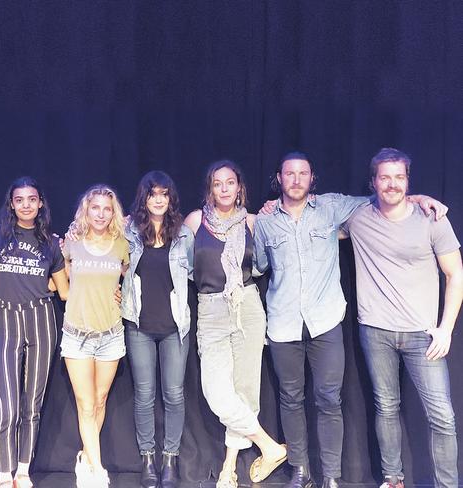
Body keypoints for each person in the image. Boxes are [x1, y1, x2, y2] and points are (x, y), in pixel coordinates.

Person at [252, 151, 446, 488]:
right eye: (289, 174)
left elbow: (384, 198)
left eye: (303, 173)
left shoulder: (331, 207)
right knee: (290, 399)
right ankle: (300, 470)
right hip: (282, 326)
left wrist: (419, 197)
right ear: (279, 179)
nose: (296, 179)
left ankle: (331, 477)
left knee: (329, 400)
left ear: (312, 179)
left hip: (325, 323)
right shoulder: (266, 221)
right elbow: (259, 265)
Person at [342, 148, 462, 488]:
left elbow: (455, 274)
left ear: (408, 181)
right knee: (386, 407)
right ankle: (393, 479)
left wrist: (446, 330)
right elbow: (313, 213)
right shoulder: (358, 217)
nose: (392, 184)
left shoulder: (432, 219)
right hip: (375, 331)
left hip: (422, 334)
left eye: (399, 177)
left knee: (442, 417)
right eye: (385, 177)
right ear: (373, 182)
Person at [184, 160, 287, 488]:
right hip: (211, 307)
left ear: (240, 188)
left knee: (244, 390)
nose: (225, 188)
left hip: (247, 306)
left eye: (231, 182)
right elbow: (179, 260)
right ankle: (269, 446)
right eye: (218, 183)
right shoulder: (195, 221)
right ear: (210, 189)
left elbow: (264, 264)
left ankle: (229, 469)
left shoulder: (255, 222)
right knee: (216, 391)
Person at [0, 176, 69, 488]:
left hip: (40, 318)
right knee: (7, 406)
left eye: (31, 199)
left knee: (31, 404)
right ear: (11, 203)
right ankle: (4, 473)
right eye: (19, 199)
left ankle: (23, 469)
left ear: (40, 203)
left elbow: (63, 291)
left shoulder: (50, 241)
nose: (26, 205)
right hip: (6, 317)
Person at [121, 171, 194, 488]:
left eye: (164, 194)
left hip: (175, 326)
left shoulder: (183, 235)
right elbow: (93, 241)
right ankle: (148, 458)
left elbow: (195, 272)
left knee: (174, 395)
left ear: (171, 198)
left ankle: (170, 459)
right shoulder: (128, 232)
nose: (159, 199)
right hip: (139, 325)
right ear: (144, 199)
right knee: (145, 395)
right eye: (153, 194)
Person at [61, 184, 129, 488]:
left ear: (113, 213)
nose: (100, 214)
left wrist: (121, 294)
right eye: (95, 207)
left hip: (111, 334)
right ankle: (98, 471)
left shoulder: (122, 244)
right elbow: (62, 286)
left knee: (100, 400)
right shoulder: (72, 243)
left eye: (106, 208)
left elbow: (131, 280)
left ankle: (86, 459)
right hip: (77, 335)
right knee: (85, 404)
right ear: (85, 210)